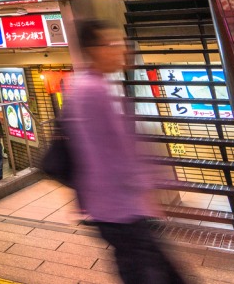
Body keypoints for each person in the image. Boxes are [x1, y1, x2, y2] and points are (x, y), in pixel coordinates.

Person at [67, 19, 187, 284]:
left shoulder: (87, 84)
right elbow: (113, 152)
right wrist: (145, 190)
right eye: (111, 44)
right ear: (93, 49)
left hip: (111, 205)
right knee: (152, 274)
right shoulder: (93, 90)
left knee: (146, 270)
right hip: (118, 206)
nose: (121, 49)